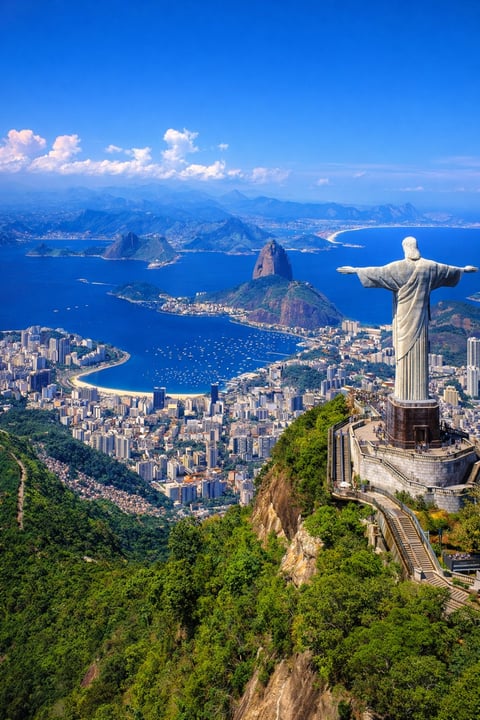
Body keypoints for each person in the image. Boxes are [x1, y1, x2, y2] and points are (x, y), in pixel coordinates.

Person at [337, 237, 477, 402]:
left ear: (405, 248)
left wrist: (355, 270)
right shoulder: (429, 267)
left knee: (402, 354)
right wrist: (464, 270)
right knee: (419, 353)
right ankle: (418, 395)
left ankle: (404, 394)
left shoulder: (398, 267)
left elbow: (378, 273)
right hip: (421, 319)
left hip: (403, 318)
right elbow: (448, 270)